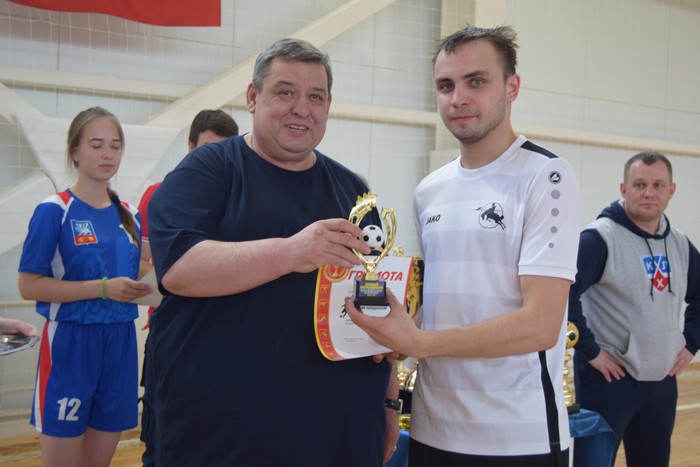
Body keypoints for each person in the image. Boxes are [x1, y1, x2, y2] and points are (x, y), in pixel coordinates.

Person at [147, 38, 400, 466]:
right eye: (285, 92)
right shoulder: (208, 169)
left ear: (328, 105)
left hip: (337, 430)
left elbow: (372, 296)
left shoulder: (353, 190)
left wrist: (389, 401)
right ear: (253, 97)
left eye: (315, 97)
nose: (302, 108)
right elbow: (179, 268)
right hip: (224, 435)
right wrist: (291, 253)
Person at [346, 25, 581, 466]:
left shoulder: (547, 176)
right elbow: (440, 301)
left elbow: (541, 325)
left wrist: (419, 341)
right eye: (445, 85)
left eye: (476, 81)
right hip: (432, 429)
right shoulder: (429, 190)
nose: (458, 98)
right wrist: (395, 330)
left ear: (512, 87)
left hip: (518, 439)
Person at [17, 106, 151, 467]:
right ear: (75, 151)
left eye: (115, 146)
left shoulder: (129, 213)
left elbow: (136, 271)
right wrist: (102, 288)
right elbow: (29, 285)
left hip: (120, 343)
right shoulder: (54, 210)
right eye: (96, 145)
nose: (108, 154)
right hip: (71, 342)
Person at [568, 151, 700, 467]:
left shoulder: (681, 244)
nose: (649, 193)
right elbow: (563, 293)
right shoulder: (598, 238)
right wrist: (590, 351)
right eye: (640, 184)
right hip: (608, 379)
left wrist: (691, 343)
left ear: (671, 191)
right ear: (624, 189)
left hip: (662, 380)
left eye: (658, 185)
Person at [136, 108, 239, 467]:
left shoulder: (241, 199)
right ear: (190, 147)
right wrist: (187, 276)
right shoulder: (159, 193)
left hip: (227, 337)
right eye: (207, 149)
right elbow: (142, 263)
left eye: (224, 150)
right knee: (162, 438)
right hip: (171, 333)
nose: (215, 158)